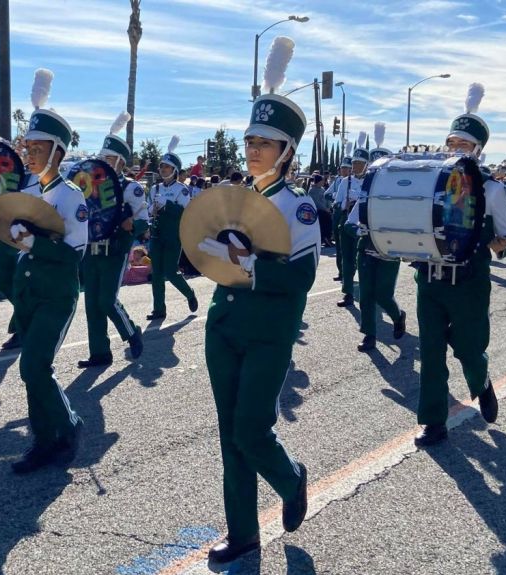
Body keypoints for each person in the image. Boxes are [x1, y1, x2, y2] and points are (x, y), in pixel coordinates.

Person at [196, 36, 317, 565]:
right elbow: (206, 251)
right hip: (223, 323)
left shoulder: (299, 206)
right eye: (250, 141)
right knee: (229, 435)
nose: (253, 149)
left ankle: (291, 481)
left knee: (251, 430)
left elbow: (301, 278)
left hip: (268, 329)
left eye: (265, 143)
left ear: (287, 152)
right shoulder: (234, 198)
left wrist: (249, 260)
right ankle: (243, 532)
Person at [413, 83, 506, 447]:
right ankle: (432, 421)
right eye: (451, 143)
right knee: (431, 352)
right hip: (430, 279)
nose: (455, 150)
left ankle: (481, 381)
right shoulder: (429, 184)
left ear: (478, 151)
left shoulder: (493, 189)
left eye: (463, 145)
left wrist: (487, 245)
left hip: (470, 280)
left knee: (469, 348)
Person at [4, 72, 89, 473]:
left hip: (56, 292)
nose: (30, 152)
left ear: (57, 150)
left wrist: (34, 242)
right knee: (32, 370)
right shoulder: (34, 191)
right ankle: (44, 439)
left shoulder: (71, 196)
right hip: (30, 291)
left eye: (38, 147)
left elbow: (72, 256)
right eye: (28, 145)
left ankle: (67, 426)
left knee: (34, 367)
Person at [76, 111, 147, 368]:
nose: (104, 162)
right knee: (92, 305)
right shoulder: (88, 185)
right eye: (102, 157)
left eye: (109, 158)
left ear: (120, 161)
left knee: (107, 300)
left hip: (115, 250)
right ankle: (100, 353)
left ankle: (131, 332)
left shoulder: (130, 188)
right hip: (91, 251)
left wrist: (131, 224)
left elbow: (144, 220)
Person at [345, 132, 406, 352]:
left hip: (389, 251)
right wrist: (360, 231)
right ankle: (369, 334)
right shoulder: (365, 193)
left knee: (383, 294)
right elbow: (350, 224)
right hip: (367, 250)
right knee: (367, 295)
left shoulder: (402, 196)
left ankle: (398, 316)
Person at [146, 136, 198, 321]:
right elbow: (148, 209)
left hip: (173, 235)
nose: (163, 169)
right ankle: (159, 309)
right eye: (161, 166)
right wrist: (151, 210)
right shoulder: (154, 189)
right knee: (157, 274)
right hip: (157, 234)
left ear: (174, 170)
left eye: (167, 167)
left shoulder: (181, 189)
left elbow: (185, 212)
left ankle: (189, 293)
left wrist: (167, 205)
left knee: (170, 271)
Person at [335, 134, 369, 307]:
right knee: (347, 260)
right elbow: (337, 202)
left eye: (359, 163)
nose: (355, 166)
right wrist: (344, 203)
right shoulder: (344, 181)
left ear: (366, 164)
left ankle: (366, 294)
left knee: (362, 260)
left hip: (363, 224)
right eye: (354, 163)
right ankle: (348, 293)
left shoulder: (371, 181)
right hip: (346, 221)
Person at [325, 145, 353, 280]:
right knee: (339, 245)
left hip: (349, 215)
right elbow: (326, 194)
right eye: (342, 168)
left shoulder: (354, 181)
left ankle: (349, 271)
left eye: (346, 168)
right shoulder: (337, 181)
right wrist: (336, 197)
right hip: (337, 214)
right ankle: (341, 271)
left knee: (348, 246)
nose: (343, 170)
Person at [306, 173, 331, 246]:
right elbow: (316, 202)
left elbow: (327, 199)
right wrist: (325, 209)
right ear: (318, 181)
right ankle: (324, 238)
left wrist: (329, 207)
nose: (323, 182)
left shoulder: (322, 189)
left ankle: (328, 237)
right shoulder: (312, 191)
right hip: (317, 210)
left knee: (329, 218)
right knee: (324, 218)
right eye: (322, 181)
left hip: (325, 209)